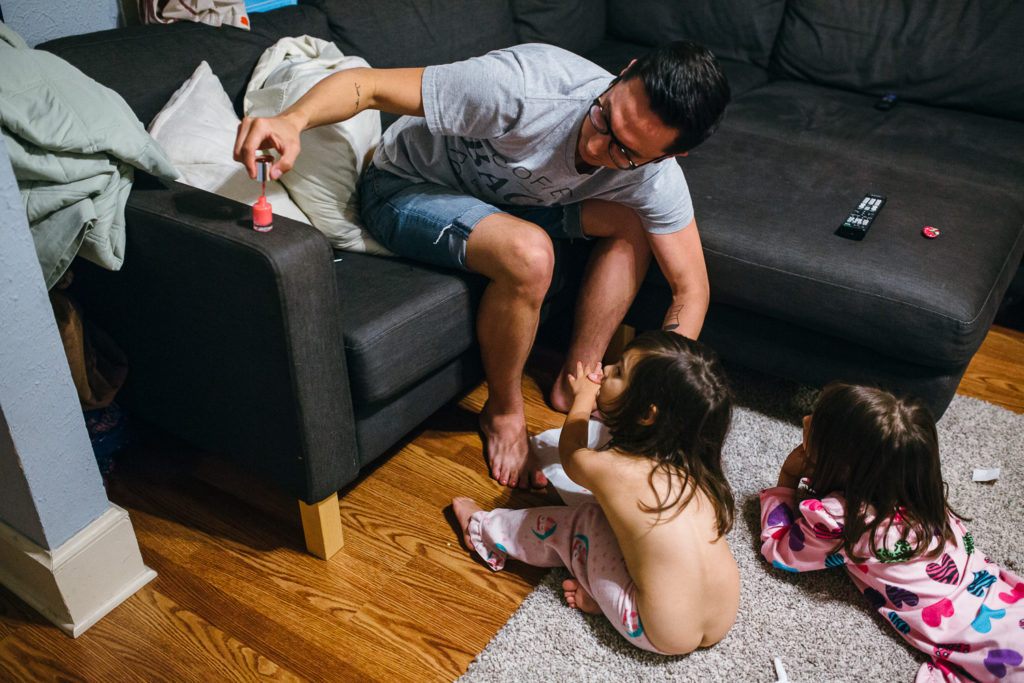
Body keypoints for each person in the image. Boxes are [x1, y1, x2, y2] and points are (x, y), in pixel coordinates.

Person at [234, 41, 730, 490]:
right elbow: (368, 87)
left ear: (670, 154)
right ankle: (504, 410)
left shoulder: (655, 178)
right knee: (531, 254)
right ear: (624, 72)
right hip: (405, 187)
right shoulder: (520, 88)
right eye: (605, 118)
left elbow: (691, 291)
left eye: (625, 152)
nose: (597, 147)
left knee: (633, 223)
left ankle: (575, 382)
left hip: (512, 206)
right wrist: (293, 120)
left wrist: (660, 396)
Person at [453, 331, 740, 654]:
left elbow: (571, 455)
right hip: (721, 618)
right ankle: (606, 594)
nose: (606, 369)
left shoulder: (615, 469)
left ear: (647, 415)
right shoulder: (691, 468)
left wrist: (582, 401)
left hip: (658, 631)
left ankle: (484, 529)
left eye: (619, 371)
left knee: (584, 520)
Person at [760, 382, 1024, 682]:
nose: (805, 419)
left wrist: (787, 479)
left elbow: (779, 550)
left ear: (840, 462)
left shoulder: (841, 519)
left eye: (814, 424)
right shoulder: (925, 492)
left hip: (974, 636)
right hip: (1004, 600)